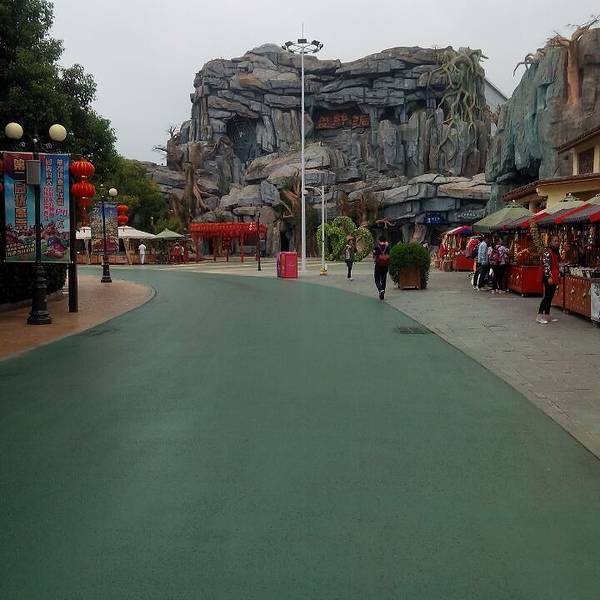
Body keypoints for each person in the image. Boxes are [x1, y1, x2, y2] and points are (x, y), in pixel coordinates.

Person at [537, 235, 561, 324]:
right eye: (555, 241)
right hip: (549, 277)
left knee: (550, 297)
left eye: (558, 241)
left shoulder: (555, 251)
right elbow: (546, 265)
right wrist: (549, 277)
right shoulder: (547, 251)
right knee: (547, 297)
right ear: (550, 242)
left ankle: (547, 315)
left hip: (554, 276)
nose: (557, 242)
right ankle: (539, 316)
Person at [373, 236, 390, 300]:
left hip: (378, 265)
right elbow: (389, 255)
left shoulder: (376, 247)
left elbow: (374, 256)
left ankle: (380, 290)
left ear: (379, 240)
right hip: (385, 265)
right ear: (385, 240)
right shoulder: (387, 247)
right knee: (384, 279)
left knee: (377, 279)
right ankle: (382, 294)